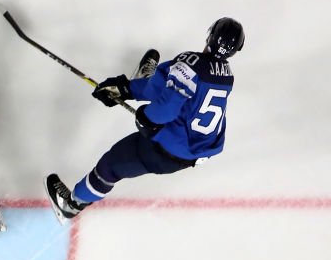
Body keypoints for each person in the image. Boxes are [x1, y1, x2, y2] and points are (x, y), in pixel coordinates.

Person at [46, 17, 244, 222]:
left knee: (111, 165)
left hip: (166, 150)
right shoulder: (227, 77)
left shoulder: (191, 64)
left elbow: (166, 108)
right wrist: (126, 89)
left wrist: (147, 120)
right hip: (196, 150)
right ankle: (146, 77)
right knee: (169, 84)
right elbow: (177, 94)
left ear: (209, 35)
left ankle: (71, 204)